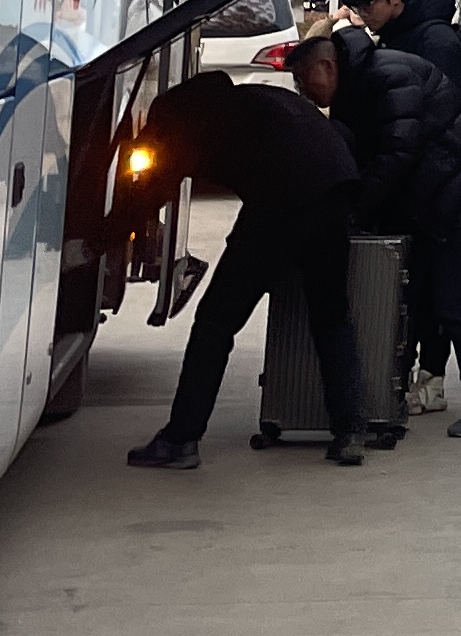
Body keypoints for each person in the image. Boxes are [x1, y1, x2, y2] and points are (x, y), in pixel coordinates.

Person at [123, 68, 371, 469]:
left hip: (282, 201)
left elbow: (156, 188)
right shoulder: (259, 99)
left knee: (215, 322)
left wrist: (103, 236)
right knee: (331, 316)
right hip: (335, 192)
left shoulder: (190, 123)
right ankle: (350, 430)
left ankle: (180, 440)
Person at [328, 0, 461, 440]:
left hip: (454, 184)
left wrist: (368, 198)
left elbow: (412, 137)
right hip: (431, 185)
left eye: (368, 6)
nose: (363, 15)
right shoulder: (401, 38)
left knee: (458, 297)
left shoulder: (433, 42)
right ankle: (414, 385)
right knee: (419, 292)